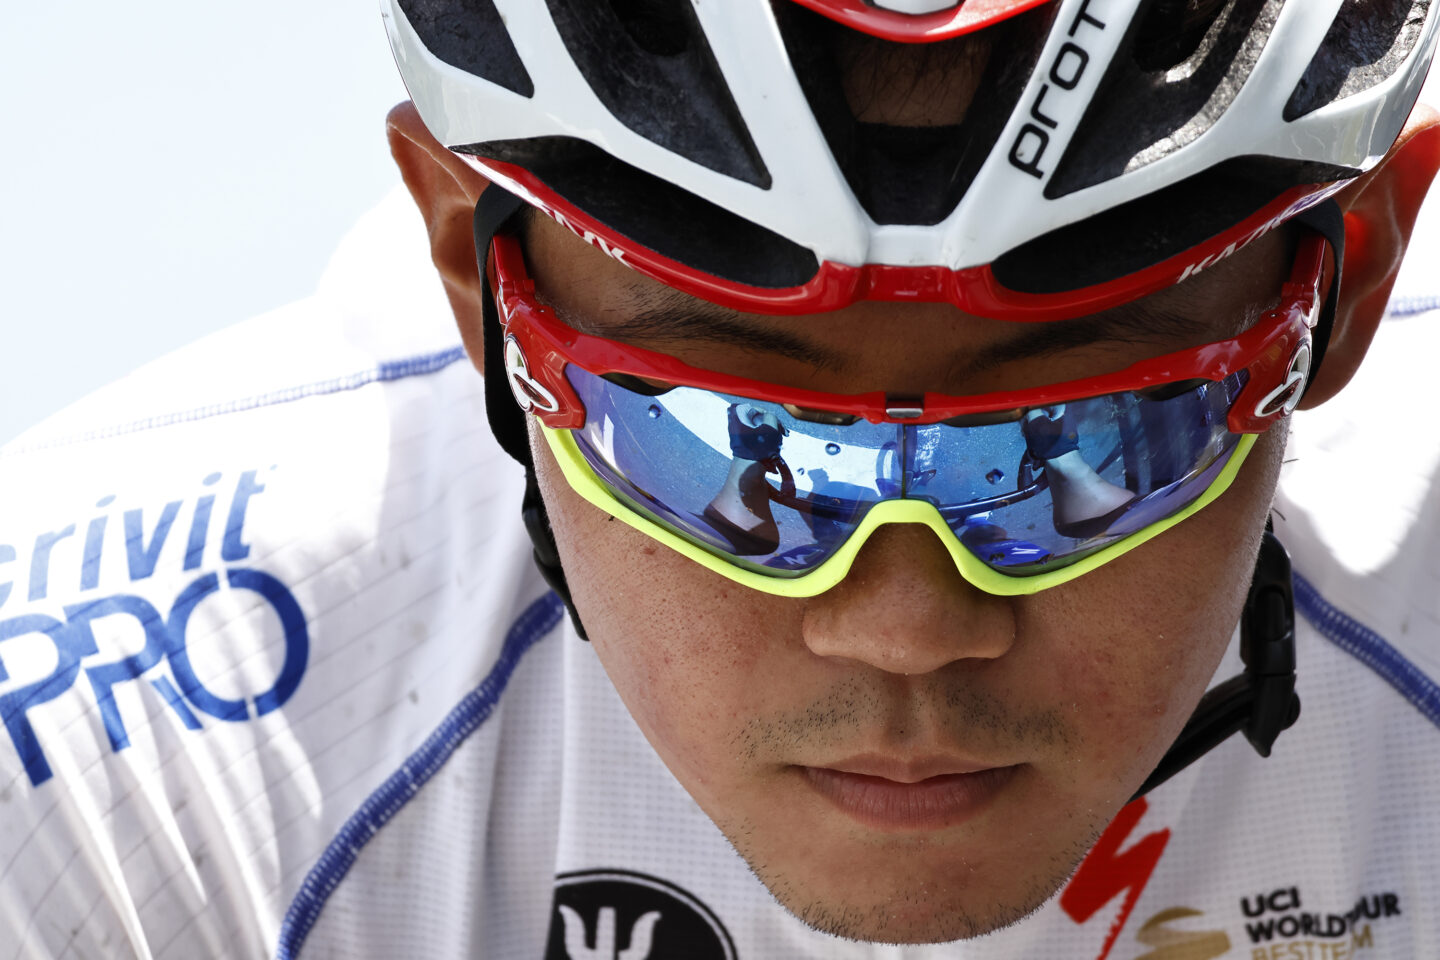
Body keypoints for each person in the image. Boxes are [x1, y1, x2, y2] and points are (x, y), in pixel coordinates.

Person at [2, 1, 1439, 957]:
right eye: (731, 446)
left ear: (1355, 278)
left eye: (1074, 448)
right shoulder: (115, 773)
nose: (906, 629)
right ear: (469, 274)